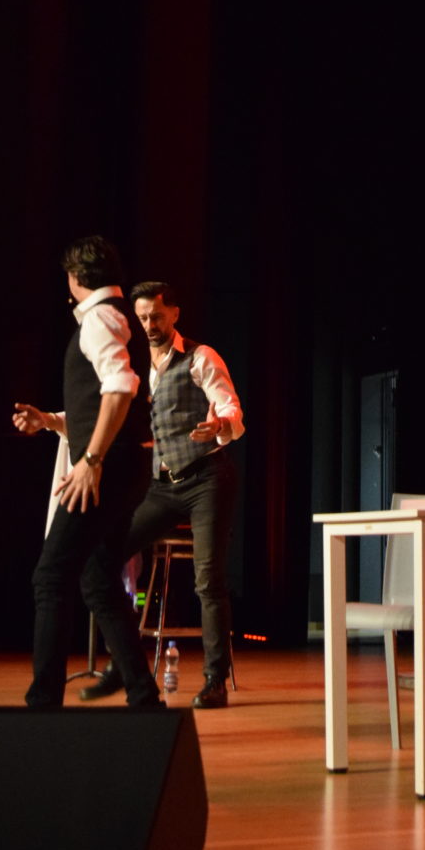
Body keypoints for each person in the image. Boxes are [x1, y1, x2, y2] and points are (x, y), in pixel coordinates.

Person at [13, 235, 164, 710]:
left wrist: (91, 460)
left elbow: (120, 388)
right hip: (125, 465)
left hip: (109, 467)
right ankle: (143, 695)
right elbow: (103, 403)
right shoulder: (116, 317)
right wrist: (49, 421)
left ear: (76, 277)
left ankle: (43, 703)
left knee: (50, 576)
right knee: (98, 578)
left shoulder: (99, 318)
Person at [79, 278, 244, 710]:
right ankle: (124, 661)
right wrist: (53, 421)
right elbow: (106, 414)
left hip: (207, 478)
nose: (149, 325)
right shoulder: (135, 366)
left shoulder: (200, 357)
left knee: (208, 580)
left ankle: (214, 680)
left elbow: (231, 407)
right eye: (142, 318)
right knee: (102, 557)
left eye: (156, 316)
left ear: (174, 314)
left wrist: (220, 425)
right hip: (162, 486)